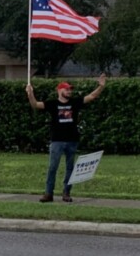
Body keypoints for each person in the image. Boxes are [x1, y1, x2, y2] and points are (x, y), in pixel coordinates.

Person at [26, 74, 107, 203]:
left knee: (70, 168)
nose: (69, 91)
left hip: (71, 140)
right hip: (57, 140)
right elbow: (35, 104)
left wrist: (101, 86)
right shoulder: (52, 104)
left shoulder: (74, 103)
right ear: (59, 90)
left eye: (70, 89)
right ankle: (48, 193)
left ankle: (66, 193)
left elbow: (91, 97)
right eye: (66, 89)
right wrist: (30, 93)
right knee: (53, 167)